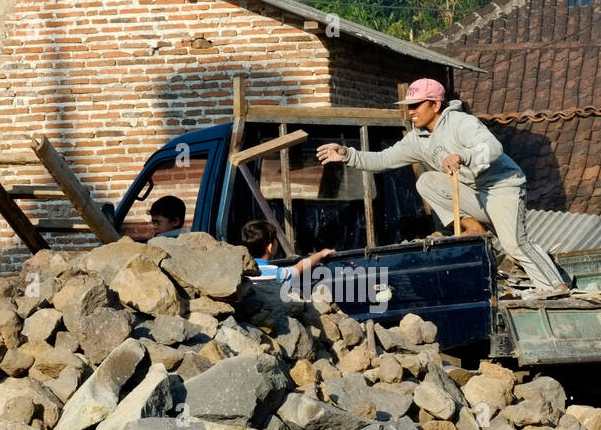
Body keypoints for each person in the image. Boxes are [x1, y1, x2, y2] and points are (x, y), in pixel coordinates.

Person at [315, 78, 570, 299]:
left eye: (416, 106)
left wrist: (463, 156)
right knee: (426, 181)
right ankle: (473, 227)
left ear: (435, 105)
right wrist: (347, 154)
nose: (410, 112)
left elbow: (494, 148)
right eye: (408, 107)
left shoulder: (461, 123)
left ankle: (555, 285)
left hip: (501, 186)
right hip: (472, 191)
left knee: (514, 243)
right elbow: (384, 160)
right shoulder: (417, 138)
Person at [239, 219, 334, 286]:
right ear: (270, 248)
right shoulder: (276, 273)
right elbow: (301, 266)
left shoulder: (240, 272)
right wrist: (321, 254)